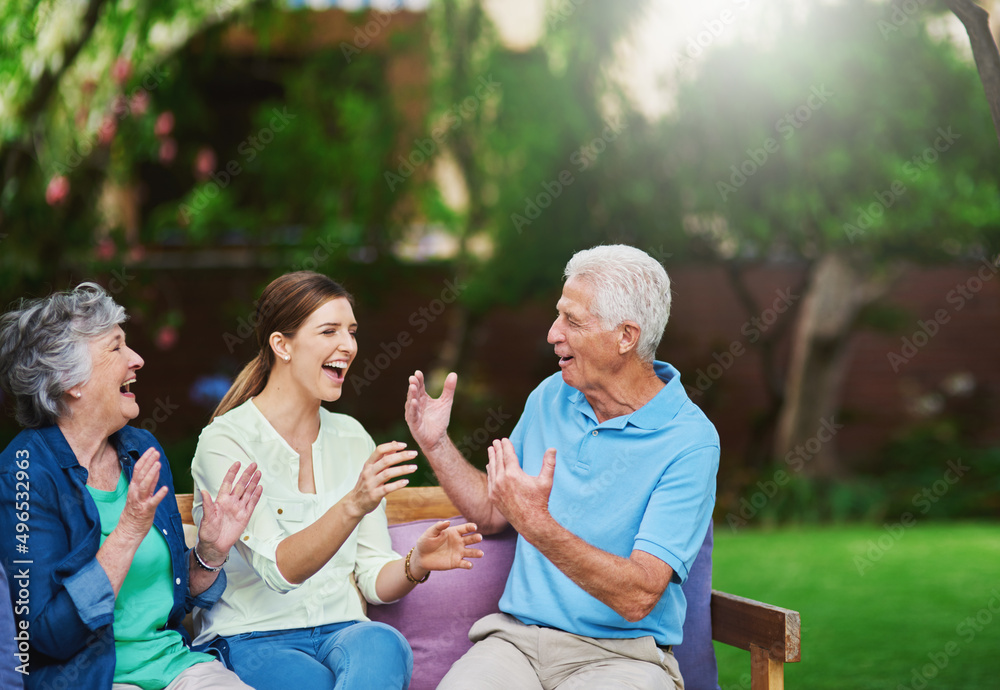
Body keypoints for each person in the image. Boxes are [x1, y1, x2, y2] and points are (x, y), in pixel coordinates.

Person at [405, 245, 720, 689]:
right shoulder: (552, 395)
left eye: (572, 321)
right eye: (559, 316)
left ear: (626, 336)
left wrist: (537, 523)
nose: (553, 333)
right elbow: (495, 511)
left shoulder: (689, 440)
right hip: (516, 644)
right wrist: (436, 444)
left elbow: (638, 595)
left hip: (622, 658)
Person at [190, 271, 484, 690]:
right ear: (282, 345)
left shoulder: (352, 436)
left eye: (351, 331)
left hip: (344, 630)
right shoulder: (227, 441)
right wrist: (353, 503)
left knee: (385, 642)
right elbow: (279, 571)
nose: (348, 346)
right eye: (329, 331)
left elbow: (373, 577)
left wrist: (415, 564)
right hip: (251, 635)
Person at [0, 283, 262, 690]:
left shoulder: (141, 450)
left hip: (176, 668)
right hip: (94, 679)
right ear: (71, 380)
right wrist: (128, 531)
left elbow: (171, 598)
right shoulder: (25, 474)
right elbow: (45, 636)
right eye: (117, 347)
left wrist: (211, 550)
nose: (137, 359)